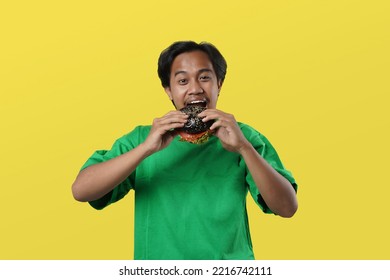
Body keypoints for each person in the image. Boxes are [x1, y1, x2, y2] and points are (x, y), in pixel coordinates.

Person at [72, 41, 298, 260]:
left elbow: (287, 207)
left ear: (219, 83)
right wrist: (146, 149)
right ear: (169, 90)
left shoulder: (243, 137)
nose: (195, 89)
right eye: (182, 81)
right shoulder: (143, 138)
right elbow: (81, 190)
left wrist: (243, 148)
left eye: (205, 77)